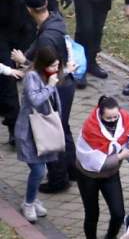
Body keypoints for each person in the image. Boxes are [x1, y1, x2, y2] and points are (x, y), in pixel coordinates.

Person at [0, 0, 57, 143]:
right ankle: (13, 125)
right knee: (6, 78)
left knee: (32, 73)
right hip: (2, 31)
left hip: (26, 29)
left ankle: (37, 119)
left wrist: (54, 12)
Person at [16, 0, 74, 194]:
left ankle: (59, 179)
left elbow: (43, 69)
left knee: (51, 130)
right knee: (63, 127)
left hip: (56, 85)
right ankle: (72, 169)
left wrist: (25, 62)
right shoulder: (55, 20)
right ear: (46, 4)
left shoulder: (46, 38)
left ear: (29, 10)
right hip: (67, 83)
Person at [75, 95, 129, 239]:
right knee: (92, 214)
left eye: (116, 117)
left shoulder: (126, 119)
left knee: (118, 213)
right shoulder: (90, 129)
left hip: (111, 174)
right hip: (88, 176)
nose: (113, 121)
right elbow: (96, 163)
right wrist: (121, 155)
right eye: (109, 118)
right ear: (100, 114)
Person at [15, 48, 71, 222]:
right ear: (43, 64)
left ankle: (32, 199)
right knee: (39, 171)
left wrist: (68, 70)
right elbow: (36, 100)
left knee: (41, 169)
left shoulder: (48, 74)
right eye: (53, 65)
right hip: (30, 131)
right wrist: (50, 86)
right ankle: (29, 203)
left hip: (43, 131)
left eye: (57, 65)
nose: (56, 69)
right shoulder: (32, 76)